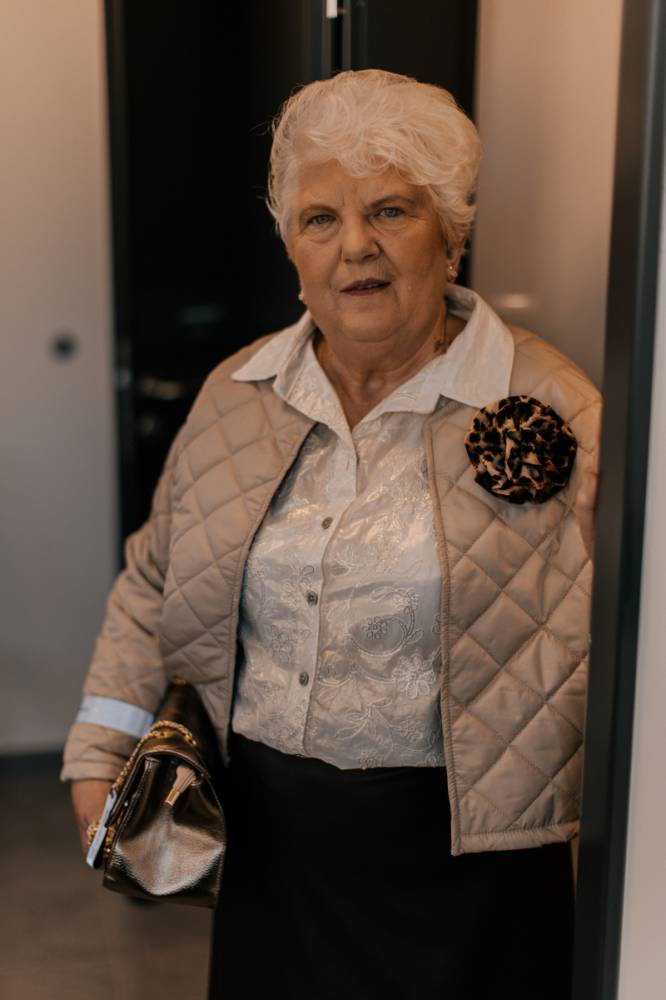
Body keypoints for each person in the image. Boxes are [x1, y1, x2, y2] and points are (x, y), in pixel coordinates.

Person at [62, 69, 600, 999]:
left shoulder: (557, 402)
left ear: (451, 233)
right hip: (270, 846)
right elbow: (152, 582)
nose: (356, 246)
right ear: (292, 249)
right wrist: (97, 753)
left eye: (391, 210)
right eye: (321, 219)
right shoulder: (236, 395)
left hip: (473, 864)